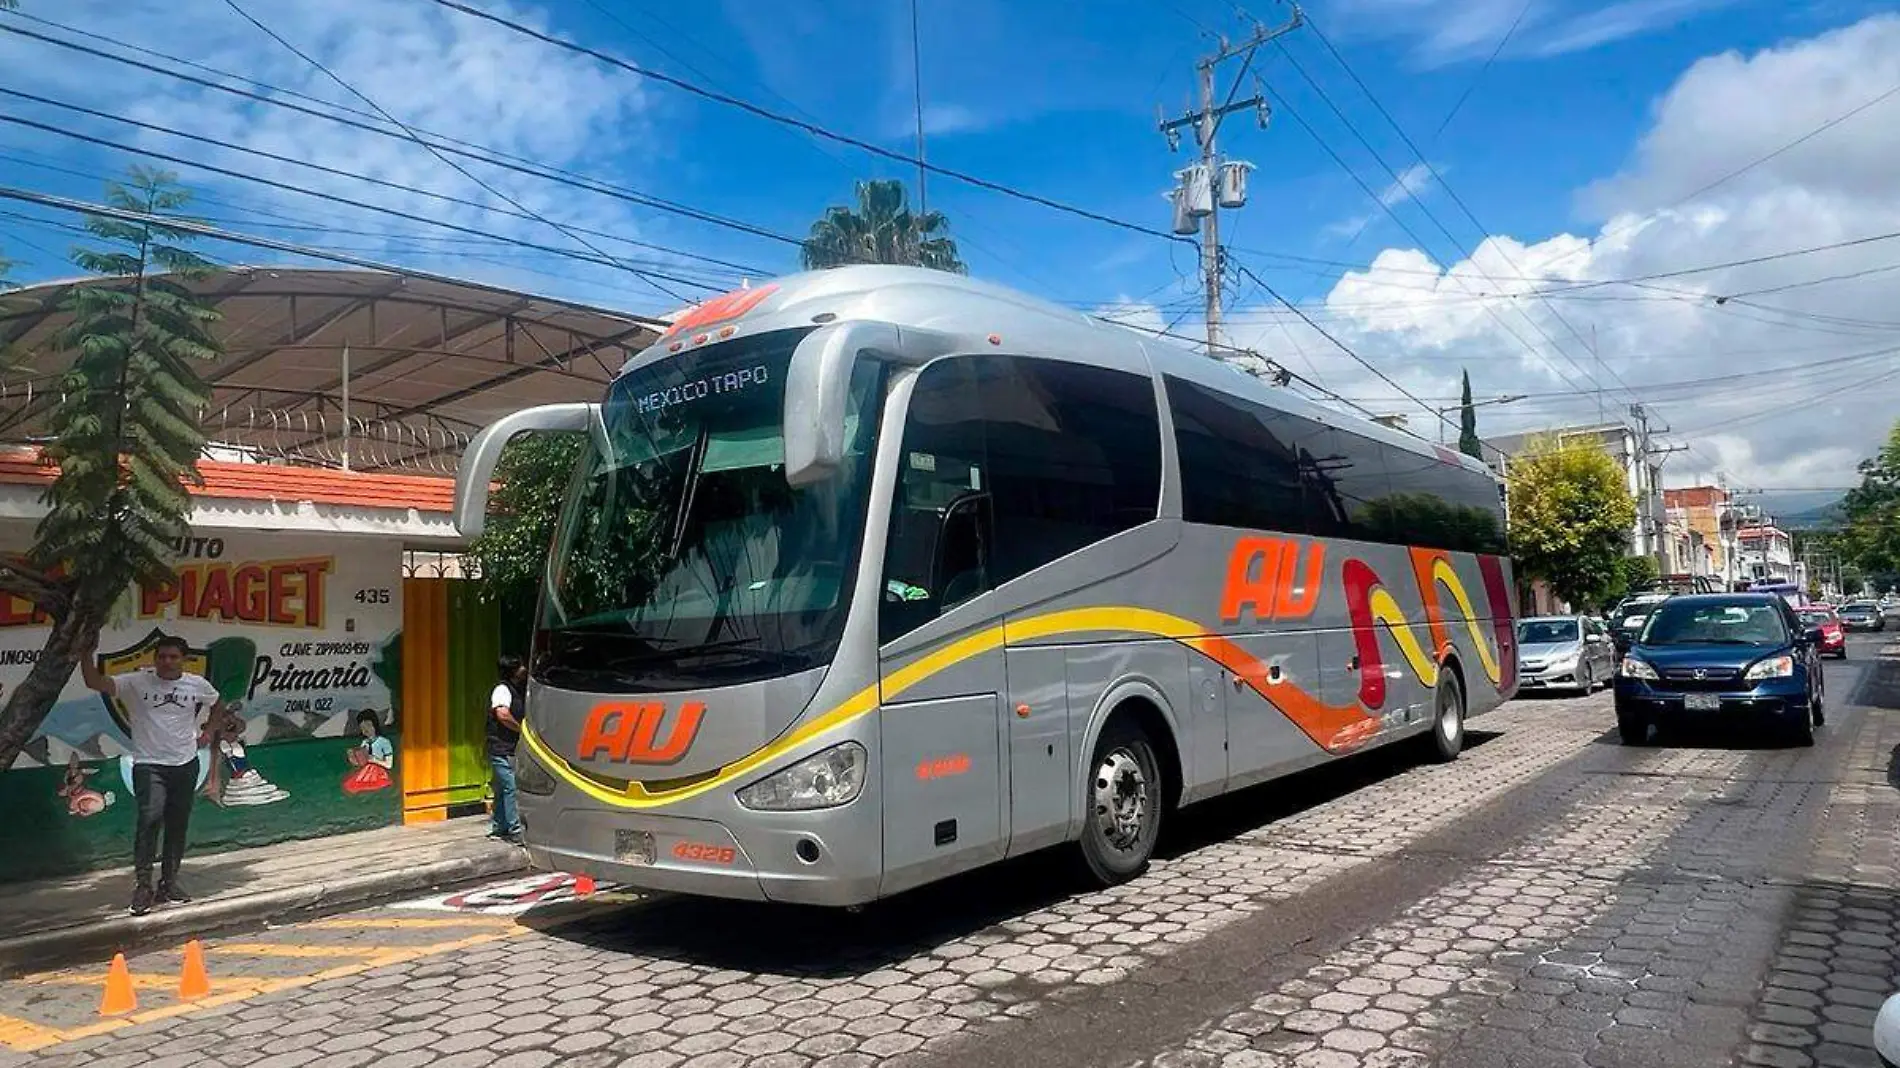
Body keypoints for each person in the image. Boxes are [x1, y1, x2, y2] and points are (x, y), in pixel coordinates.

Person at [79, 634, 227, 915]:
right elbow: (95, 682)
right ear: (154, 659)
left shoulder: (197, 684)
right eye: (162, 657)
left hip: (185, 764)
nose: (167, 662)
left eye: (173, 657)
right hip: (149, 764)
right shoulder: (136, 682)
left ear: (183, 659)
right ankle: (143, 886)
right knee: (149, 819)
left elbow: (218, 704)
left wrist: (208, 731)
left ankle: (169, 883)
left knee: (177, 824)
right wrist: (85, 655)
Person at [487, 655, 527, 843]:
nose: (524, 669)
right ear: (512, 670)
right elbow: (502, 714)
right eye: (519, 666)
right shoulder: (502, 690)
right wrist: (521, 730)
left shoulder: (515, 690)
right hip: (502, 748)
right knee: (511, 787)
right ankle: (515, 829)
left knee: (504, 789)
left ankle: (499, 827)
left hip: (508, 747)